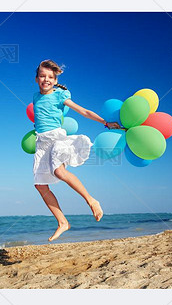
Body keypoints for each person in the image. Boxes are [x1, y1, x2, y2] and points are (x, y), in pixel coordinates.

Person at [33, 59, 121, 241]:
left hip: (56, 138)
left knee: (59, 171)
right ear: (36, 79)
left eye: (50, 77)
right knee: (40, 185)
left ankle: (91, 200)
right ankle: (63, 222)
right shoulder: (35, 97)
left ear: (55, 81)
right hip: (41, 142)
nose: (46, 79)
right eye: (42, 76)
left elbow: (83, 111)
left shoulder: (59, 95)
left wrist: (105, 123)